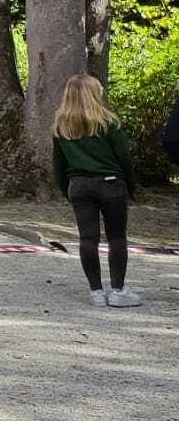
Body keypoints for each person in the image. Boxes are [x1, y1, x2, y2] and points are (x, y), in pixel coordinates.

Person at [51, 74, 139, 308]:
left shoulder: (61, 126)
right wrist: (130, 186)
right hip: (111, 182)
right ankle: (118, 290)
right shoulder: (108, 122)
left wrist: (66, 190)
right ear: (94, 94)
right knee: (116, 237)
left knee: (87, 238)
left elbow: (58, 165)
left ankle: (96, 292)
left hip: (78, 185)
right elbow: (123, 157)